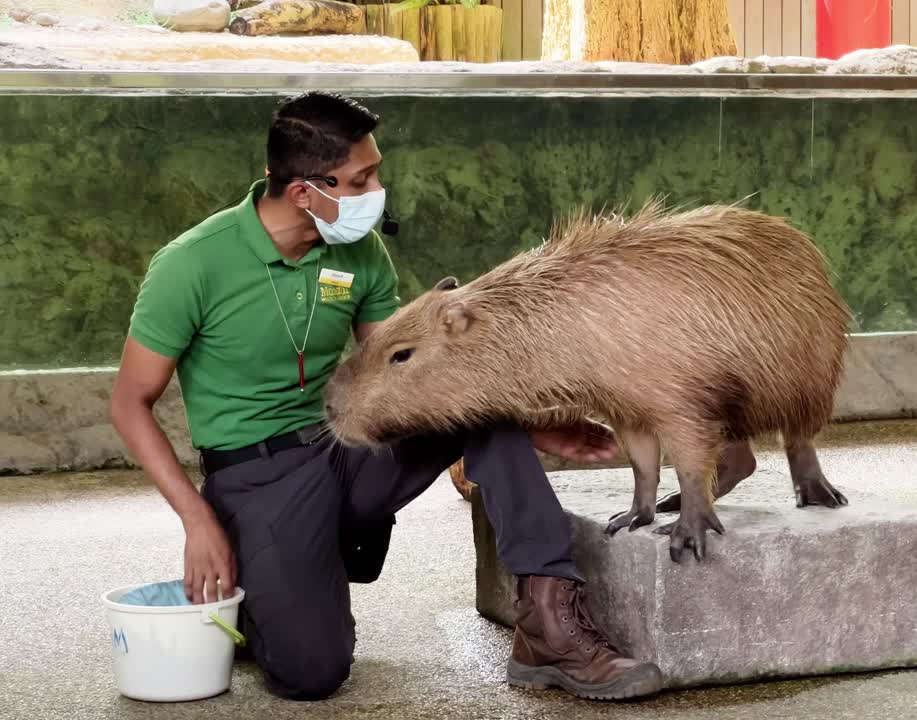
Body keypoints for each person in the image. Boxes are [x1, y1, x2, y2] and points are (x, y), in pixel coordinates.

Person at [109, 91, 663, 702]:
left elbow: (415, 380)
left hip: (350, 447)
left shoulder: (360, 252)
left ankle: (549, 624)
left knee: (489, 422)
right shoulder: (191, 264)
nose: (378, 190)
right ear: (304, 192)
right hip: (258, 476)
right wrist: (198, 521)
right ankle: (257, 592)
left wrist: (530, 424)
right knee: (312, 676)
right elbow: (128, 404)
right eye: (362, 178)